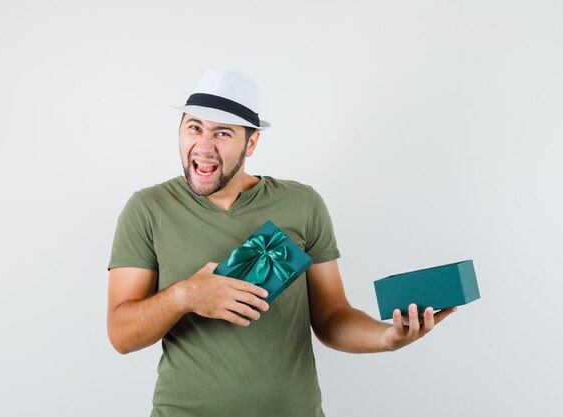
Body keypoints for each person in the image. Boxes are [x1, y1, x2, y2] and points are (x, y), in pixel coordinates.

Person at [107, 69, 456, 417]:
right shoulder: (147, 209)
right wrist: (185, 296)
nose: (203, 146)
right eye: (193, 127)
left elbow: (332, 316)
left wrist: (387, 338)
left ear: (252, 142)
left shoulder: (301, 204)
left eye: (223, 133)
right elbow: (121, 335)